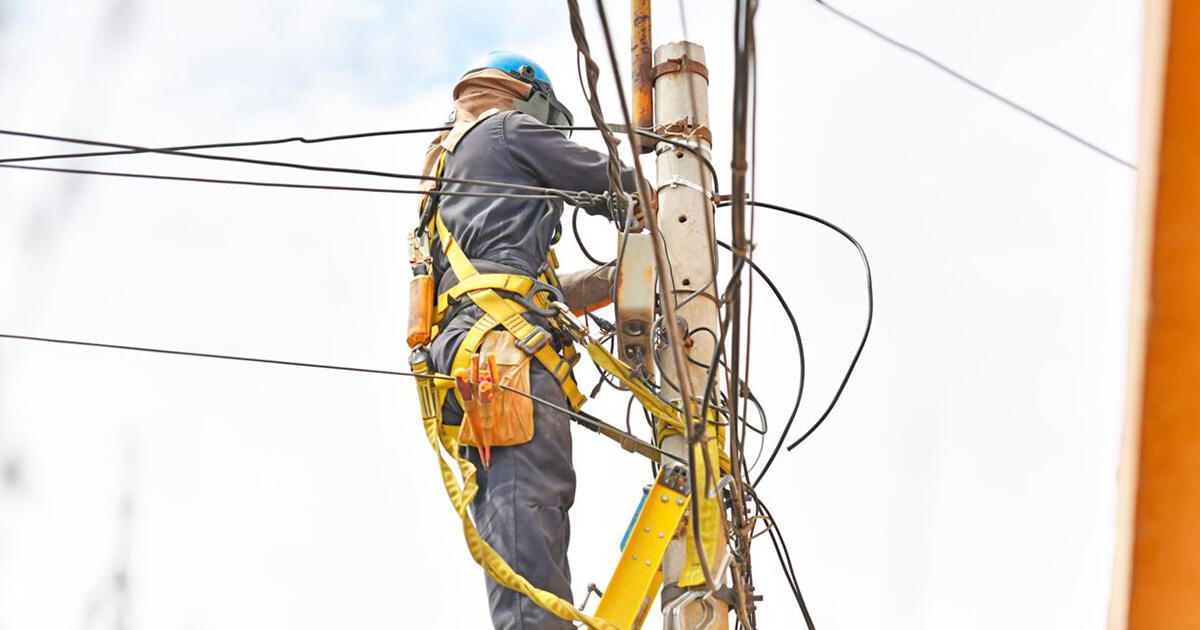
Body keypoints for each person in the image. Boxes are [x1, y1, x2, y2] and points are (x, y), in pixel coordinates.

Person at [418, 51, 641, 630]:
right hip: (501, 351)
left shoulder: (448, 167)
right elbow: (612, 180)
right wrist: (673, 189)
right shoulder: (506, 126)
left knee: (518, 509)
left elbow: (528, 285)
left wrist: (622, 278)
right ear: (528, 95)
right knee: (530, 500)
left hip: (479, 345)